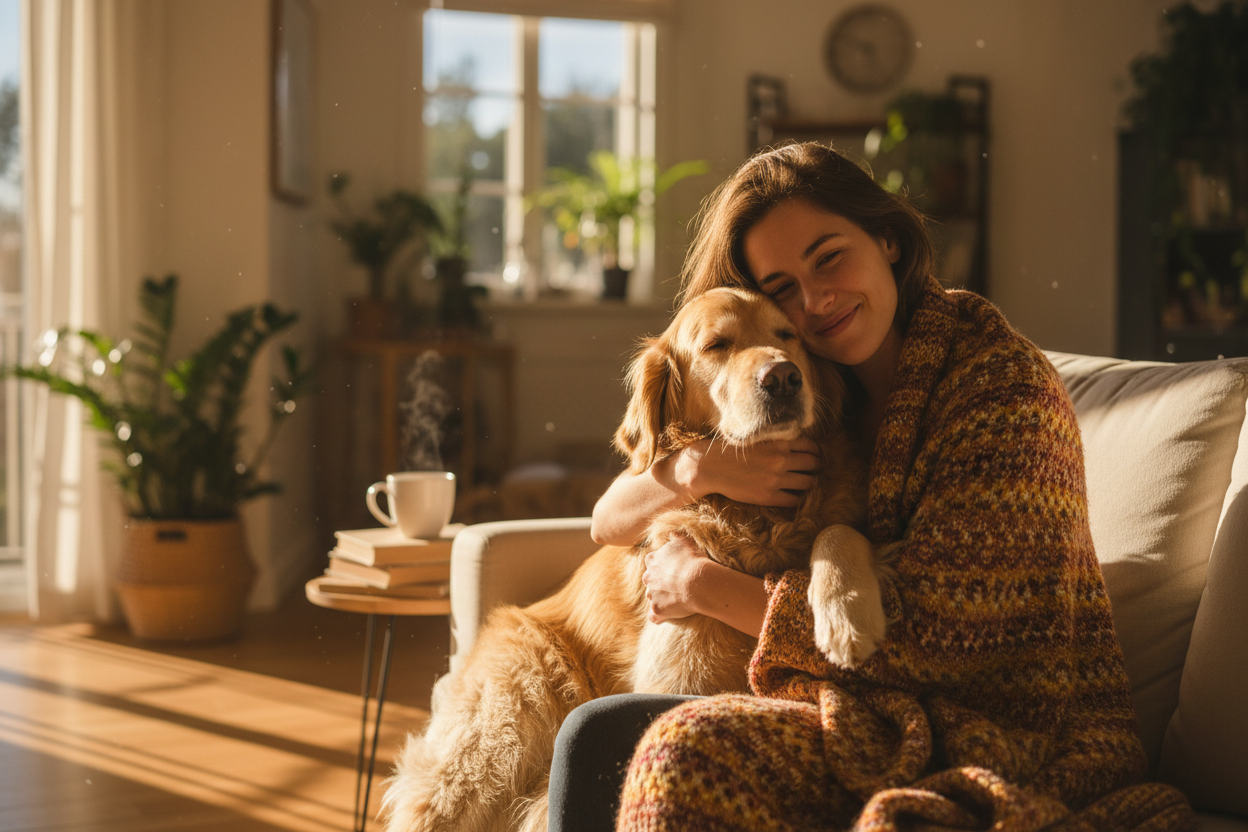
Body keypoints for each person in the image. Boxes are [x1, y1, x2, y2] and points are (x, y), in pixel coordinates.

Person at [547, 142, 1195, 832]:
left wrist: (702, 586)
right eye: (783, 289)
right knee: (597, 734)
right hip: (861, 704)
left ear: (887, 238)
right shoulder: (817, 390)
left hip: (998, 733)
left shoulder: (1003, 391)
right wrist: (696, 470)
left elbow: (945, 645)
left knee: (662, 748)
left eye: (829, 258)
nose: (816, 300)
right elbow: (611, 514)